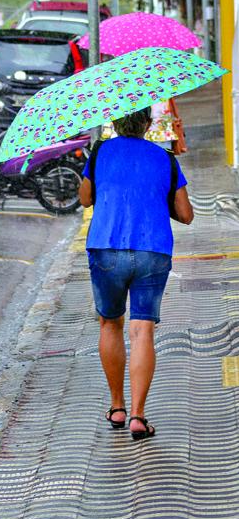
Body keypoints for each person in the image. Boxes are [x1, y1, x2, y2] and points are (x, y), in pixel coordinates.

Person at [78, 106, 194, 440]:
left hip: (106, 247)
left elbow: (85, 200)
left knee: (110, 323)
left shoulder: (100, 152)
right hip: (152, 250)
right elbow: (186, 214)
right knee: (142, 330)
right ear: (147, 124)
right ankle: (139, 416)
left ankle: (117, 407)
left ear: (114, 123)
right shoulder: (166, 158)